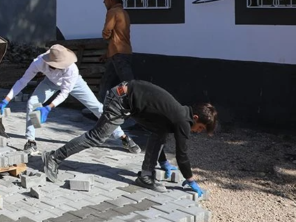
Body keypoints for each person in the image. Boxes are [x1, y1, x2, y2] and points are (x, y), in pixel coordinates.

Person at [42, 80, 217, 196]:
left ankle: (146, 176)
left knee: (159, 133)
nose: (198, 131)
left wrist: (163, 163)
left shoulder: (179, 114)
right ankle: (54, 157)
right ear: (195, 118)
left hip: (128, 99)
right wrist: (190, 179)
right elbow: (182, 154)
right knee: (97, 137)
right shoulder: (182, 121)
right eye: (200, 128)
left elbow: (159, 133)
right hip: (121, 99)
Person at [0, 44, 141, 155]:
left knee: (98, 108)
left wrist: (49, 107)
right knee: (32, 103)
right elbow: (23, 81)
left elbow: (65, 92)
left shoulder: (71, 69)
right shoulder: (38, 62)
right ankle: (31, 141)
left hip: (74, 85)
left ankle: (123, 137)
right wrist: (6, 100)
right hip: (49, 83)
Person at [98, 0, 134, 101]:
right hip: (121, 51)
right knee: (106, 80)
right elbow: (118, 36)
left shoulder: (112, 12)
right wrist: (107, 54)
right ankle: (99, 107)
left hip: (118, 53)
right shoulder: (124, 13)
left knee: (128, 83)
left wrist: (105, 34)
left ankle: (137, 106)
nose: (104, 2)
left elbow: (107, 33)